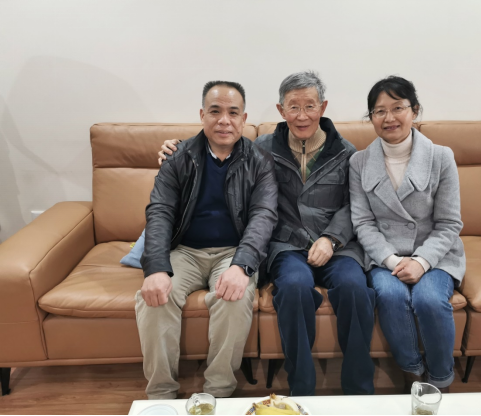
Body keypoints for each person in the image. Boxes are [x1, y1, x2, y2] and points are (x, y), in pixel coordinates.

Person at [160, 71, 376, 397]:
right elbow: (218, 140)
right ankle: (301, 388)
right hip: (287, 246)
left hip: (337, 246)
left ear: (322, 107)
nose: (301, 115)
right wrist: (175, 147)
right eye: (293, 107)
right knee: (293, 287)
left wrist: (331, 239)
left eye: (310, 106)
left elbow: (353, 205)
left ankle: (359, 391)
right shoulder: (261, 149)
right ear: (280, 110)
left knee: (354, 287)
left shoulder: (345, 152)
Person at [137, 80, 278, 400]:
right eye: (215, 111)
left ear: (244, 119)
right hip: (184, 251)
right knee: (154, 297)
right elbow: (159, 212)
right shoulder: (178, 156)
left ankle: (218, 393)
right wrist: (155, 268)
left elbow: (264, 216)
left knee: (234, 298)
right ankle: (161, 395)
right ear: (202, 115)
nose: (224, 120)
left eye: (233, 113)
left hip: (233, 251)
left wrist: (242, 266)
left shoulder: (260, 160)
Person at [349, 76, 466, 393]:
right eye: (379, 111)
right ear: (371, 117)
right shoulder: (359, 162)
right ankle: (412, 372)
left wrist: (421, 262)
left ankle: (440, 380)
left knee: (429, 299)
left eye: (397, 107)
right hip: (385, 255)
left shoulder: (441, 157)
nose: (389, 118)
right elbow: (363, 222)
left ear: (414, 110)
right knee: (390, 295)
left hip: (434, 254)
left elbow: (449, 223)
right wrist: (390, 260)